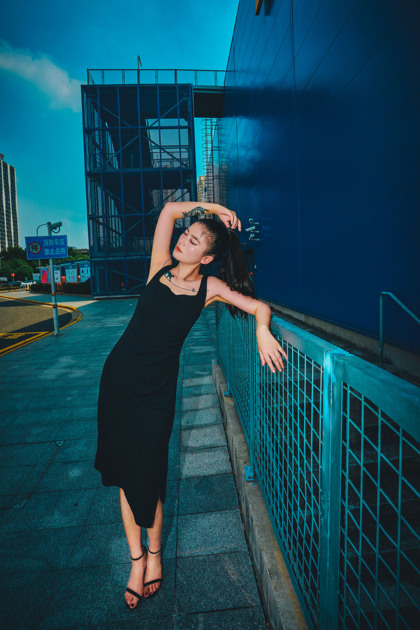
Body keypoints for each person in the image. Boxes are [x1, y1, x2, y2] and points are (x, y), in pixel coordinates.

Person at [94, 201, 287, 610]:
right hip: (118, 382)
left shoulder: (209, 288)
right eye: (186, 233)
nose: (184, 240)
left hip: (156, 394)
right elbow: (168, 211)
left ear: (208, 257)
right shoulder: (159, 267)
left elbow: (258, 307)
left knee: (148, 474)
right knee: (127, 474)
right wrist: (213, 208)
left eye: (195, 240)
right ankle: (136, 560)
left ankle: (155, 554)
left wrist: (262, 330)